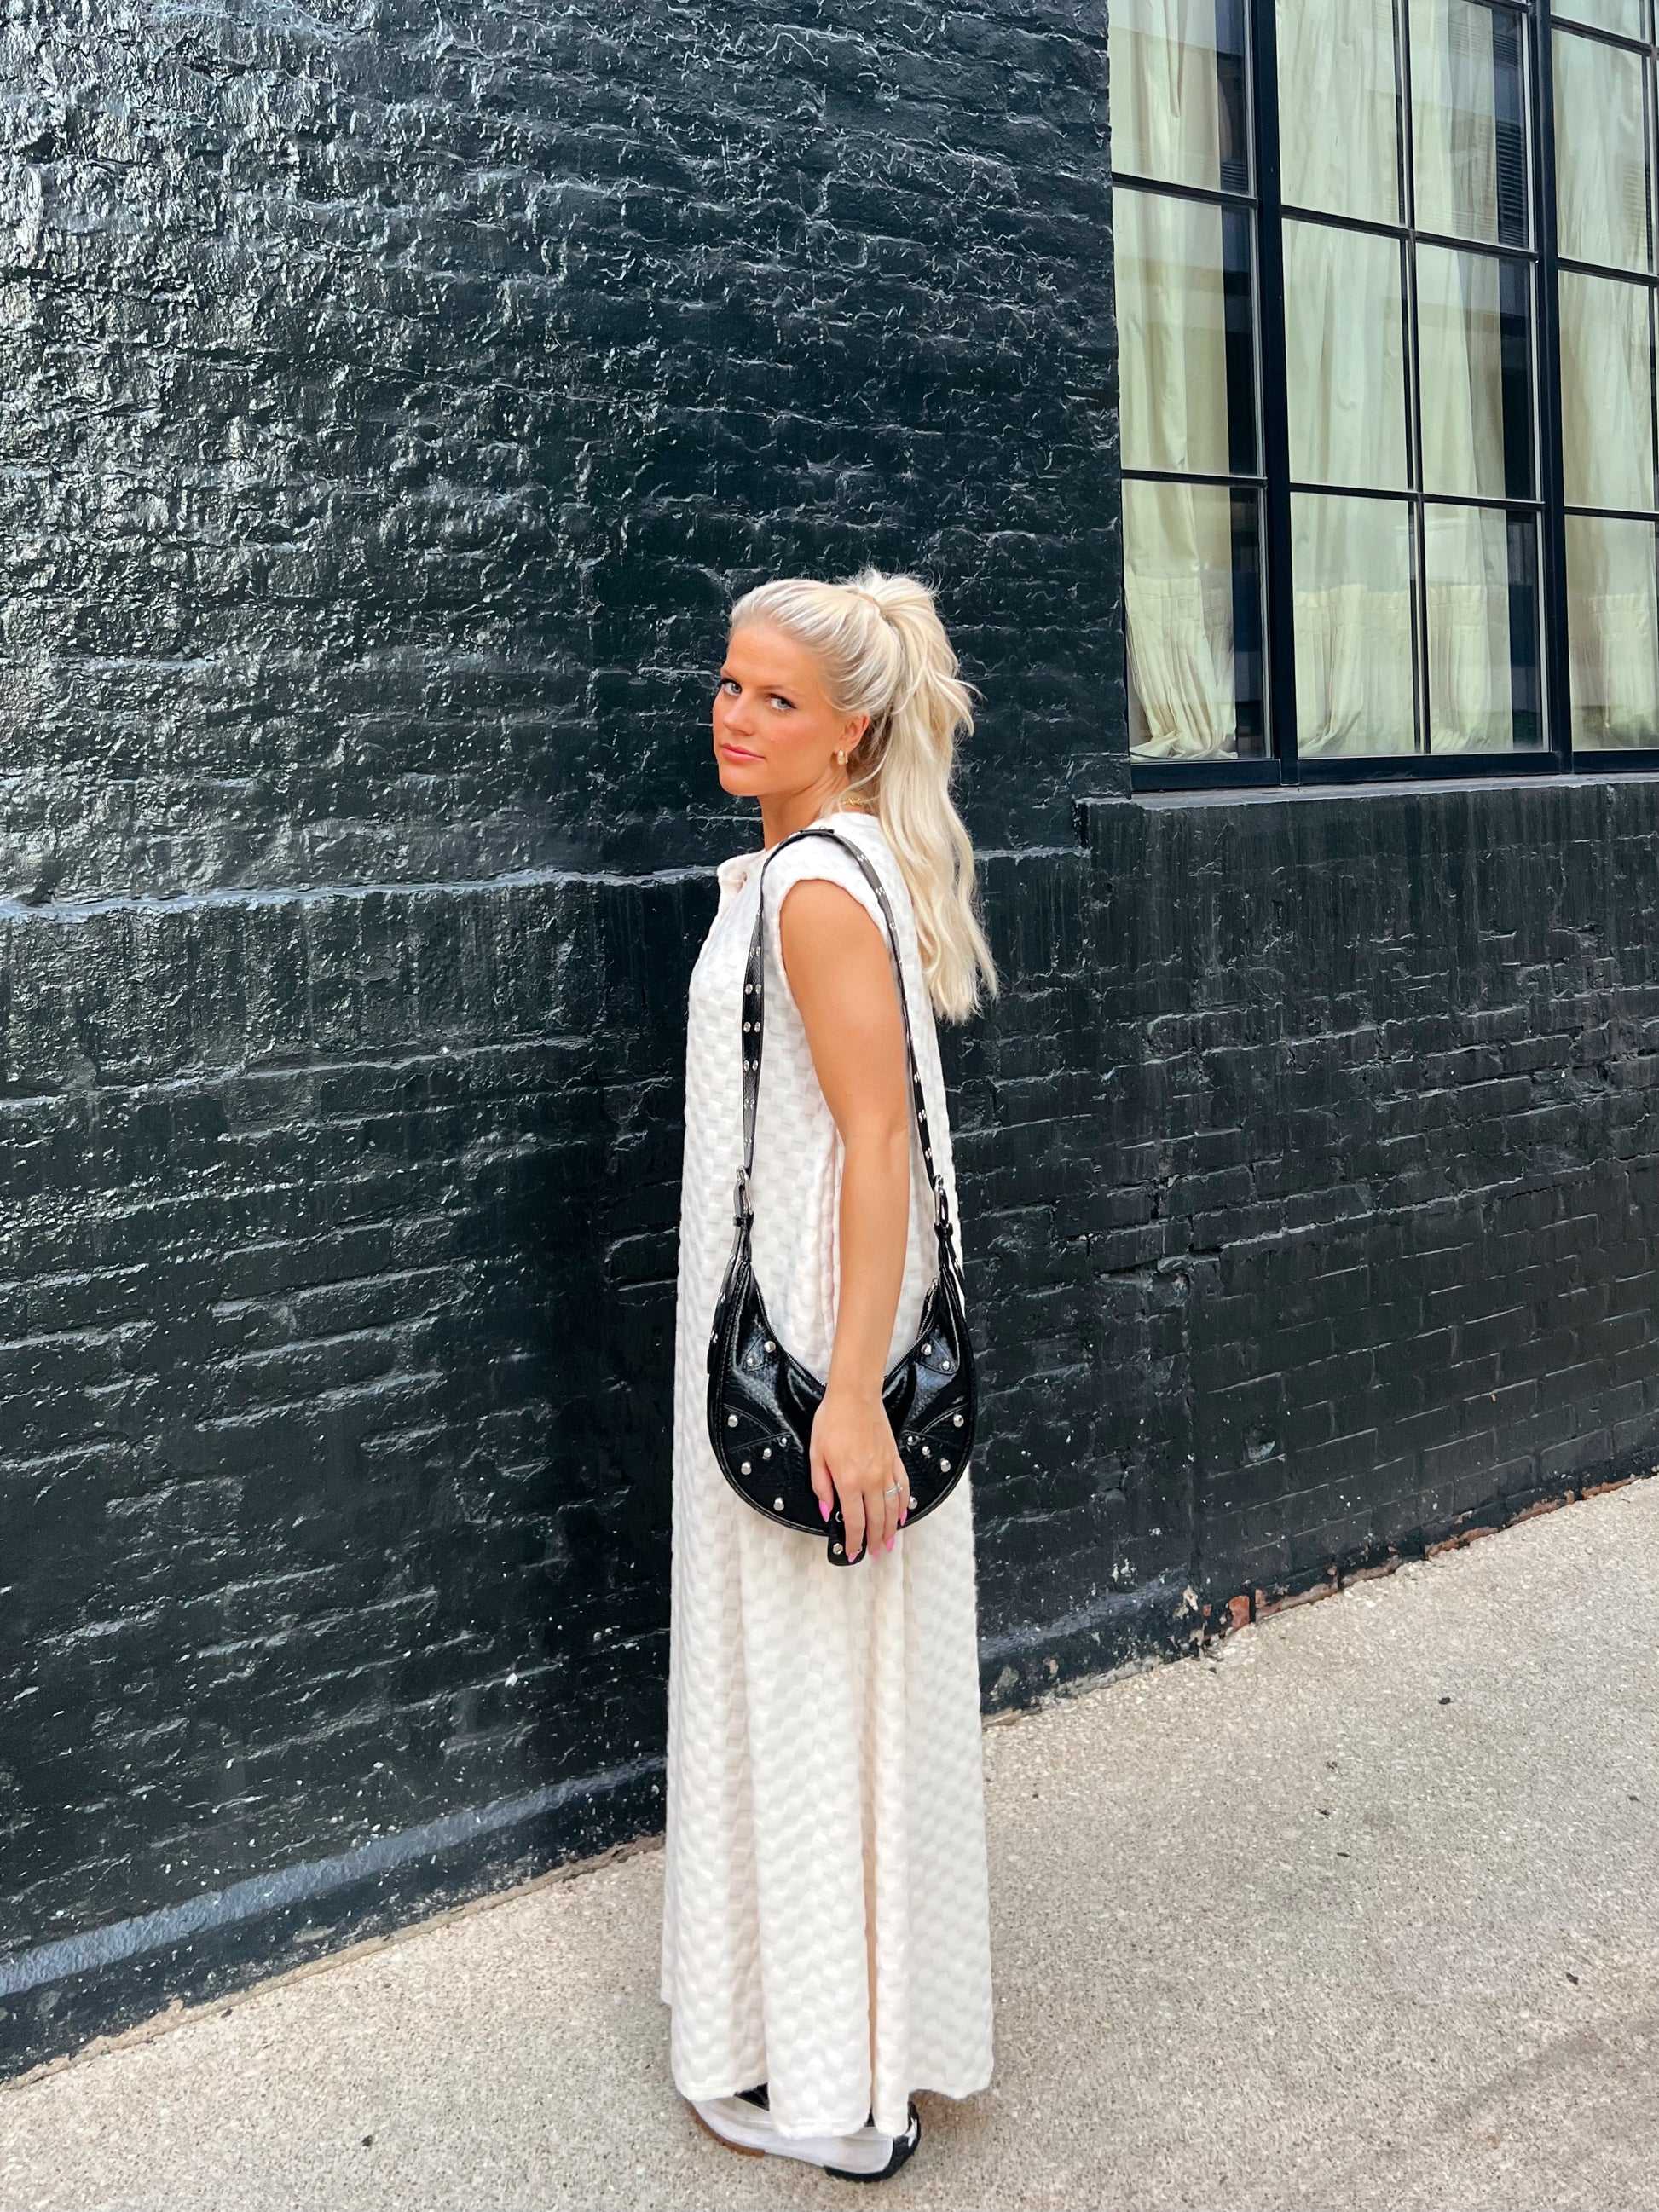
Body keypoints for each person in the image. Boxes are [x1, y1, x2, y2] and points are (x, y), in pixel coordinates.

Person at [659, 568, 999, 2181]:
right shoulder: (828, 862)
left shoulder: (811, 889)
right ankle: (855, 2049)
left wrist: (849, 1394)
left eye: (775, 698)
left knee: (799, 1684)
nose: (735, 716)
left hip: (804, 1337)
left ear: (850, 730)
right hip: (815, 1315)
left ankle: (825, 2088)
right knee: (834, 1681)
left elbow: (876, 1145)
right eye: (730, 683)